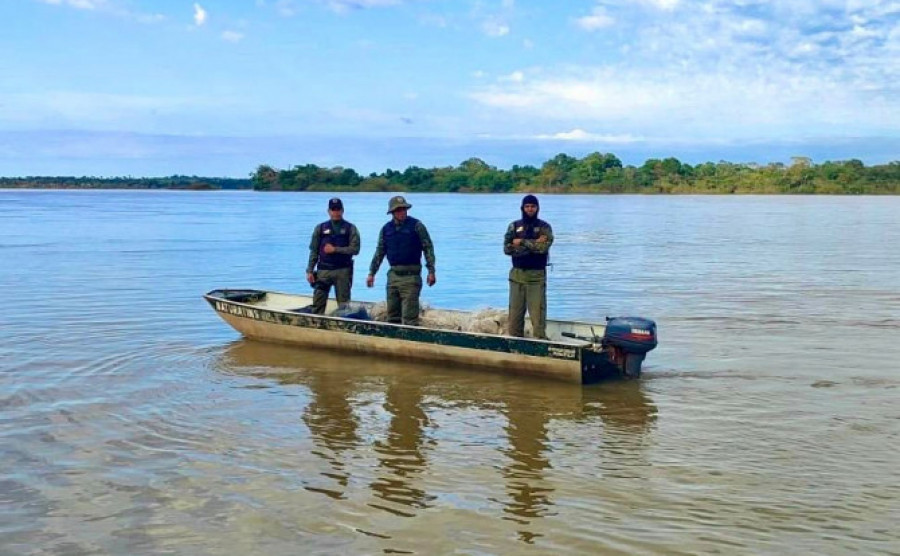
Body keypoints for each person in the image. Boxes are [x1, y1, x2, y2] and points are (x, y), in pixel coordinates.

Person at [366, 195, 436, 326]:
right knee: (392, 316)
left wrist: (431, 271)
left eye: (404, 209)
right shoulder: (386, 229)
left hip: (411, 277)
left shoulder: (417, 226)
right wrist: (371, 273)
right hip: (393, 276)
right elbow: (379, 252)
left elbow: (428, 248)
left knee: (409, 318)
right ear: (392, 212)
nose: (402, 212)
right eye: (398, 210)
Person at [504, 194, 553, 339]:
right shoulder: (514, 226)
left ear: (537, 208)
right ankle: (515, 346)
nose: (530, 209)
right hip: (517, 275)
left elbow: (543, 248)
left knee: (537, 317)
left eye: (533, 206)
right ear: (522, 208)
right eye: (527, 206)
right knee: (514, 317)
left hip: (536, 277)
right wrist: (534, 243)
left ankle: (540, 342)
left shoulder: (545, 227)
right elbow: (507, 249)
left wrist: (522, 242)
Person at [306, 197, 361, 314]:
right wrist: (310, 270)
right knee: (318, 302)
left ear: (342, 210)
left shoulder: (351, 228)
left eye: (338, 209)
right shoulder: (320, 228)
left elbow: (355, 249)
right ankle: (316, 325)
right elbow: (314, 251)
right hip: (323, 271)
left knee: (344, 306)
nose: (335, 212)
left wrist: (335, 249)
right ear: (329, 211)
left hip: (343, 271)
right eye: (333, 209)